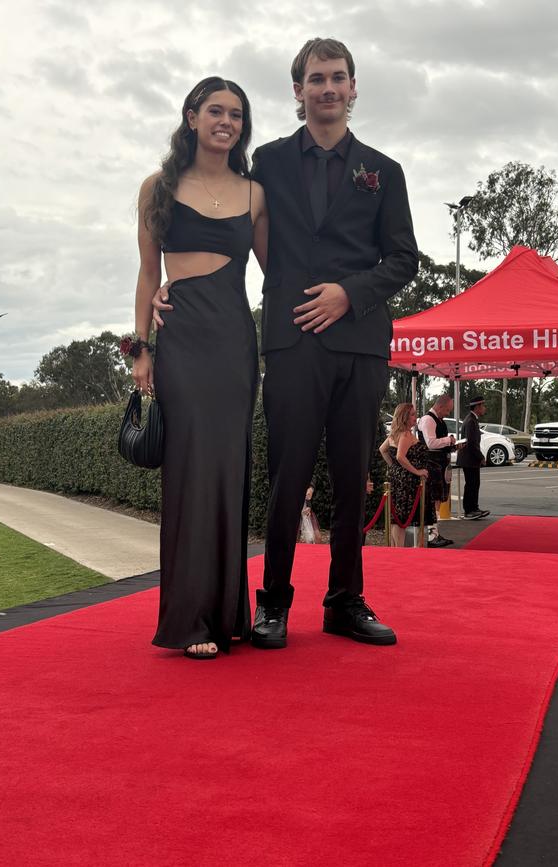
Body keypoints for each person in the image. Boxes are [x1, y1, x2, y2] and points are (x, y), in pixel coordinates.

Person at [154, 39, 418, 649]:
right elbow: (210, 210)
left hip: (360, 342)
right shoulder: (265, 165)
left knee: (353, 479)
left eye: (338, 78)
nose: (328, 88)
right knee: (286, 474)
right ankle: (271, 603)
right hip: (291, 340)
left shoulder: (386, 170)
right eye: (316, 79)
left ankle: (345, 601)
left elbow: (404, 257)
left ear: (353, 88)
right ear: (297, 92)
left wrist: (349, 294)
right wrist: (175, 285)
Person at [132, 77, 267, 659]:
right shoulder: (157, 187)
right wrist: (140, 349)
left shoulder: (256, 193)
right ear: (191, 117)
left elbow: (277, 270)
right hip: (181, 339)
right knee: (190, 472)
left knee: (229, 470)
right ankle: (189, 619)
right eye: (215, 111)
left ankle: (226, 613)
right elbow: (145, 273)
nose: (227, 122)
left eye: (236, 114)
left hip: (235, 341)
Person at [379, 404, 437, 546]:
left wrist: (394, 468)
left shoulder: (395, 434)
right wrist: (417, 471)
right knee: (401, 517)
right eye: (412, 414)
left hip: (398, 479)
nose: (415, 417)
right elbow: (400, 456)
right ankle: (399, 550)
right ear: (404, 417)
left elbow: (383, 450)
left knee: (397, 517)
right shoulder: (405, 434)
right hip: (407, 482)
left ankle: (396, 549)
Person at [417, 394, 456, 546]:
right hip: (431, 465)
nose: (448, 413)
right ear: (439, 406)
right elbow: (431, 443)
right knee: (433, 499)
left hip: (440, 465)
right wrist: (448, 440)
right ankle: (432, 536)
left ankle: (435, 533)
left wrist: (452, 445)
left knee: (438, 499)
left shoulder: (439, 420)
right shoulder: (428, 420)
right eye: (447, 410)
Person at [457, 395, 491, 520]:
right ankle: (469, 510)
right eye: (483, 406)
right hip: (469, 458)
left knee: (474, 484)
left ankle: (474, 508)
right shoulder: (471, 420)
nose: (484, 408)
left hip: (470, 458)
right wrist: (481, 457)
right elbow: (472, 443)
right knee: (472, 484)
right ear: (477, 407)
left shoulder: (472, 419)